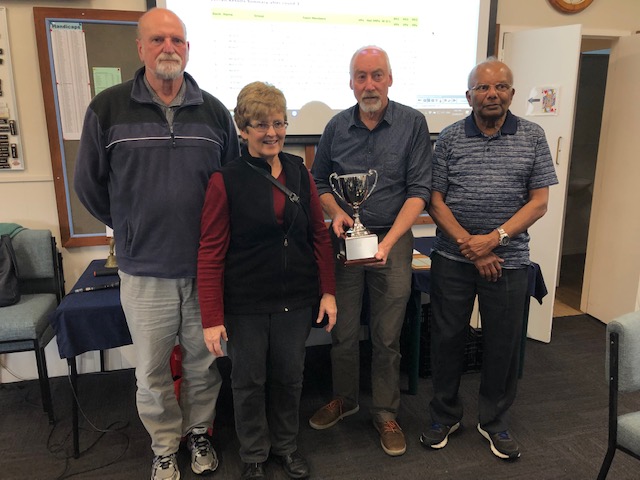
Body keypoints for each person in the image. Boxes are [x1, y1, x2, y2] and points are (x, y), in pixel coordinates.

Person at [74, 8, 240, 480]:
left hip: (206, 268)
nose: (169, 48)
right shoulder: (106, 108)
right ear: (140, 48)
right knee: (150, 371)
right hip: (143, 269)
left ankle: (200, 434)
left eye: (178, 40)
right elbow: (89, 186)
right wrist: (130, 225)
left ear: (188, 49)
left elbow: (228, 182)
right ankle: (165, 445)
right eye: (159, 40)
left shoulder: (213, 111)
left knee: (204, 364)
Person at [420, 57, 558, 461]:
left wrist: (494, 240)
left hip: (511, 261)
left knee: (502, 343)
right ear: (469, 96)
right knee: (446, 340)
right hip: (453, 259)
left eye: (499, 87)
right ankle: (444, 416)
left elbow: (539, 202)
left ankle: (494, 421)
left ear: (512, 93)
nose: (491, 93)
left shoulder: (533, 136)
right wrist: (472, 245)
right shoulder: (447, 138)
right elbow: (435, 201)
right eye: (482, 87)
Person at [198, 81, 337, 480]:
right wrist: (212, 315)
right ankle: (255, 454)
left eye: (278, 122)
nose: (272, 132)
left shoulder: (299, 171)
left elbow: (317, 234)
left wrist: (327, 291)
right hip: (246, 302)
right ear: (242, 129)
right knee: (249, 382)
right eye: (260, 124)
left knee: (290, 378)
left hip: (296, 297)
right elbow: (210, 251)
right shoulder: (225, 180)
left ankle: (286, 447)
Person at [309, 45, 432, 457]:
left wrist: (390, 241)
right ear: (351, 83)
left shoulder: (412, 124)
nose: (369, 84)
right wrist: (338, 214)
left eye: (377, 75)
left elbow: (419, 192)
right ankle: (345, 399)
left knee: (386, 335)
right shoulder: (335, 127)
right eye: (361, 76)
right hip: (344, 240)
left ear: (390, 79)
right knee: (342, 331)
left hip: (393, 243)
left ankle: (384, 412)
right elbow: (319, 183)